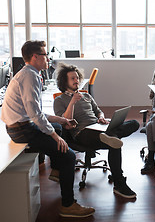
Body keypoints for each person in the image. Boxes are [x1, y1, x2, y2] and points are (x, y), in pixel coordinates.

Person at [1, 40, 95, 218]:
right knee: (69, 156)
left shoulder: (28, 73)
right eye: (45, 55)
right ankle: (68, 205)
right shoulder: (31, 76)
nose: (48, 58)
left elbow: (34, 113)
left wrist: (59, 120)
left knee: (60, 126)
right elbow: (34, 114)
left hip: (20, 125)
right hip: (22, 130)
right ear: (35, 57)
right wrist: (55, 137)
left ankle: (58, 170)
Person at [53, 63, 140, 199]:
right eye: (72, 79)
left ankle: (108, 135)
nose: (76, 81)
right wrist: (72, 102)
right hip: (82, 133)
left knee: (133, 124)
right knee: (114, 141)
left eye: (77, 78)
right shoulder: (59, 100)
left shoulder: (86, 96)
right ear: (64, 82)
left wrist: (101, 118)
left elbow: (98, 111)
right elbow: (65, 121)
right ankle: (119, 183)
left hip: (97, 127)